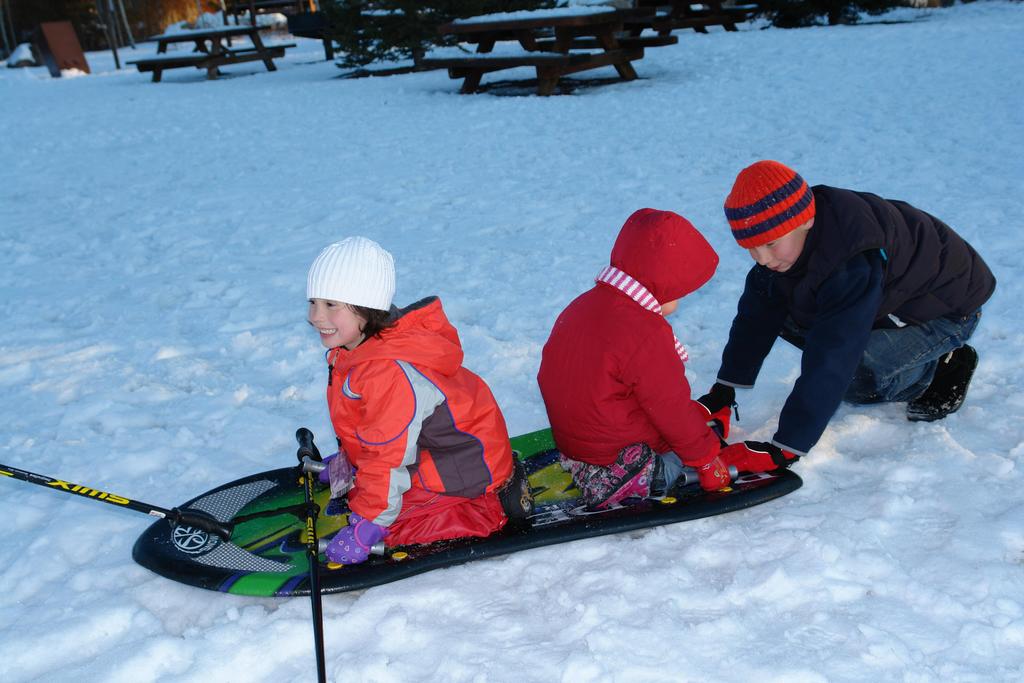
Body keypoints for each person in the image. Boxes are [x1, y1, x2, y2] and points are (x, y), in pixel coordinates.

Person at [698, 160, 996, 474]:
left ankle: (940, 368)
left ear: (805, 220)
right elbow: (755, 317)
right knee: (785, 311)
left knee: (856, 377)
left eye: (770, 244)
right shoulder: (790, 236)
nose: (762, 258)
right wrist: (723, 391)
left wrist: (786, 448)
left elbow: (834, 355)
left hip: (945, 311)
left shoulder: (850, 259)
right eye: (751, 247)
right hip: (888, 295)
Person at [306, 236, 526, 565]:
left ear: (367, 305)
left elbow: (387, 454)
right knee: (374, 495)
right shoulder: (357, 348)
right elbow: (374, 426)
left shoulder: (388, 371)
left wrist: (368, 527)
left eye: (330, 305)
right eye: (313, 302)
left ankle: (488, 509)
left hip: (463, 477)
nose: (314, 316)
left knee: (391, 525)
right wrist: (351, 460)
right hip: (430, 455)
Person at [537, 209, 732, 509]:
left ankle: (596, 468)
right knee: (690, 442)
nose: (680, 301)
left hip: (576, 449)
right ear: (664, 283)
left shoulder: (582, 306)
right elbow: (669, 408)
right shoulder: (645, 332)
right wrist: (706, 459)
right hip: (624, 464)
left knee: (677, 419)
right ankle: (637, 480)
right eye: (680, 292)